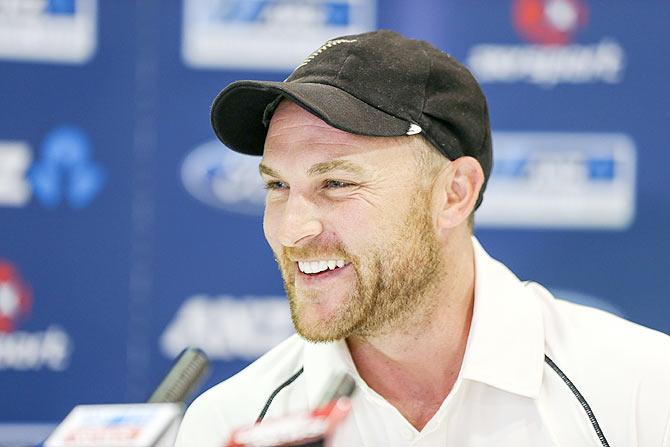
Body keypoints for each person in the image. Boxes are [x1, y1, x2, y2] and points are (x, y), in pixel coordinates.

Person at [175, 30, 670, 446]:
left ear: (455, 194)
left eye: (337, 184)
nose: (291, 229)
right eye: (277, 186)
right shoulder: (229, 425)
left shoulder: (642, 391)